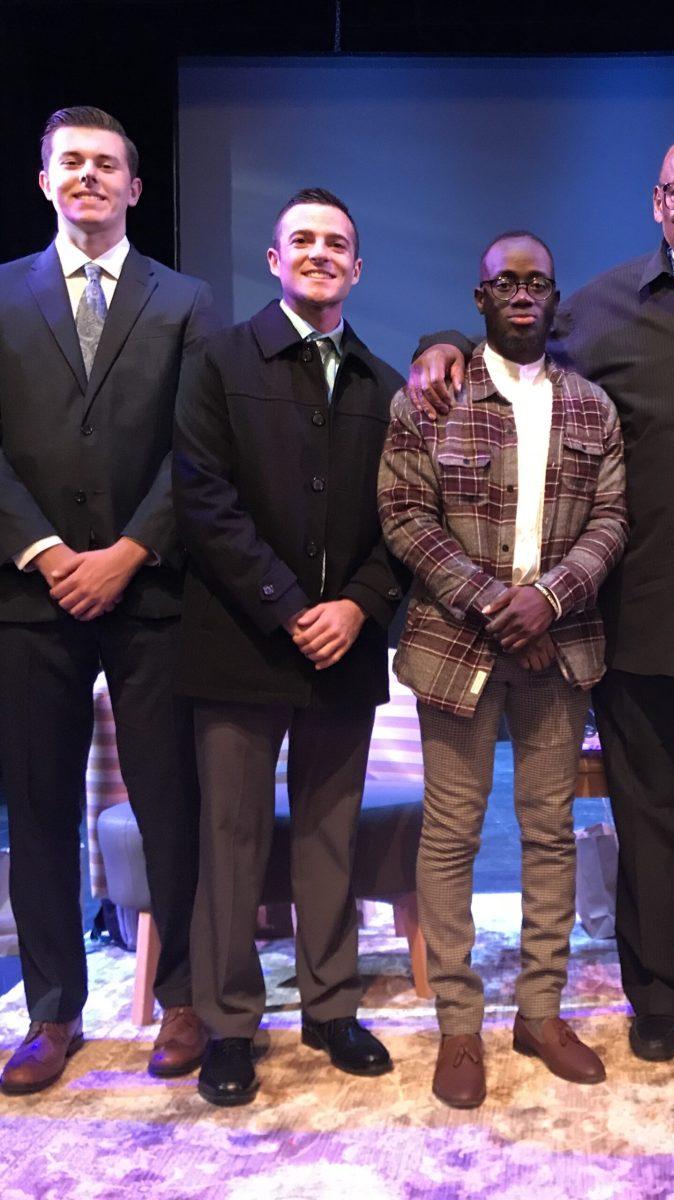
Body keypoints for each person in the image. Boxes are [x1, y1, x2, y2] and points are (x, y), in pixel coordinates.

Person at [407, 131, 674, 1062]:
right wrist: (439, 344)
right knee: (658, 824)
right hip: (648, 616)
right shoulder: (599, 307)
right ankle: (664, 1003)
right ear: (655, 204)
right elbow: (512, 344)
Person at [378, 231, 627, 1108]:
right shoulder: (432, 397)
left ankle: (540, 1012)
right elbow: (404, 515)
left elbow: (611, 519)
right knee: (452, 836)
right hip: (456, 646)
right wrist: (494, 601)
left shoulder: (593, 407)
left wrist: (548, 600)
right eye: (505, 284)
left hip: (559, 648)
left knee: (549, 831)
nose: (523, 296)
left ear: (555, 300)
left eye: (538, 284)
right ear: (479, 299)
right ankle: (457, 1026)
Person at [172, 188, 406, 1106]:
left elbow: (404, 520)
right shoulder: (217, 361)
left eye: (336, 243)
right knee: (228, 838)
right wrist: (285, 603)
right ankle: (231, 1023)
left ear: (357, 267)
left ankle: (330, 1003)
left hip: (347, 645)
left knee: (328, 835)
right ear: (274, 261)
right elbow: (202, 499)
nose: (319, 253)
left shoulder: (386, 387)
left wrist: (357, 605)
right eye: (301, 240)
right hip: (238, 639)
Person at [0, 106, 214, 1095]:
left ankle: (182, 998)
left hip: (153, 588)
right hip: (29, 595)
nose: (88, 177)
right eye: (70, 163)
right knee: (39, 806)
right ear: (45, 181)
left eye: (107, 165)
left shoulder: (188, 301)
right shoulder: (0, 295)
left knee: (172, 799)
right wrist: (47, 551)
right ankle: (53, 1012)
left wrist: (129, 549)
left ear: (135, 187)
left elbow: (200, 447)